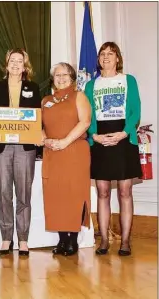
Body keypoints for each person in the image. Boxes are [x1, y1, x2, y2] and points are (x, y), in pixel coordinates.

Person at [85, 42, 142, 256]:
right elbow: (88, 114)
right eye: (102, 54)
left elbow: (135, 110)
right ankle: (104, 241)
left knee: (126, 191)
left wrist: (124, 133)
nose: (106, 57)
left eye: (111, 53)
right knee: (102, 192)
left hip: (124, 138)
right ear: (98, 59)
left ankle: (125, 241)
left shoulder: (128, 81)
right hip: (100, 138)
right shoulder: (91, 85)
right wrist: (95, 136)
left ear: (118, 58)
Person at [0, 48, 41, 256]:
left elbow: (37, 117)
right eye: (12, 60)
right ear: (6, 64)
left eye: (20, 61)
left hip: (25, 147)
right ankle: (6, 237)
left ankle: (24, 238)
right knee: (4, 193)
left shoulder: (33, 88)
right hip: (1, 147)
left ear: (25, 65)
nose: (16, 64)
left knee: (24, 194)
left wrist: (38, 133)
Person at [42, 62, 92, 256]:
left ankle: (73, 240)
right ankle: (62, 239)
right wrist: (45, 141)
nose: (61, 78)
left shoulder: (78, 96)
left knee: (73, 194)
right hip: (52, 153)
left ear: (72, 78)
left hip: (74, 151)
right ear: (52, 79)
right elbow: (39, 126)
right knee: (56, 196)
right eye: (57, 75)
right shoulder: (45, 100)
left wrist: (64, 142)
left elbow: (85, 122)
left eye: (65, 75)